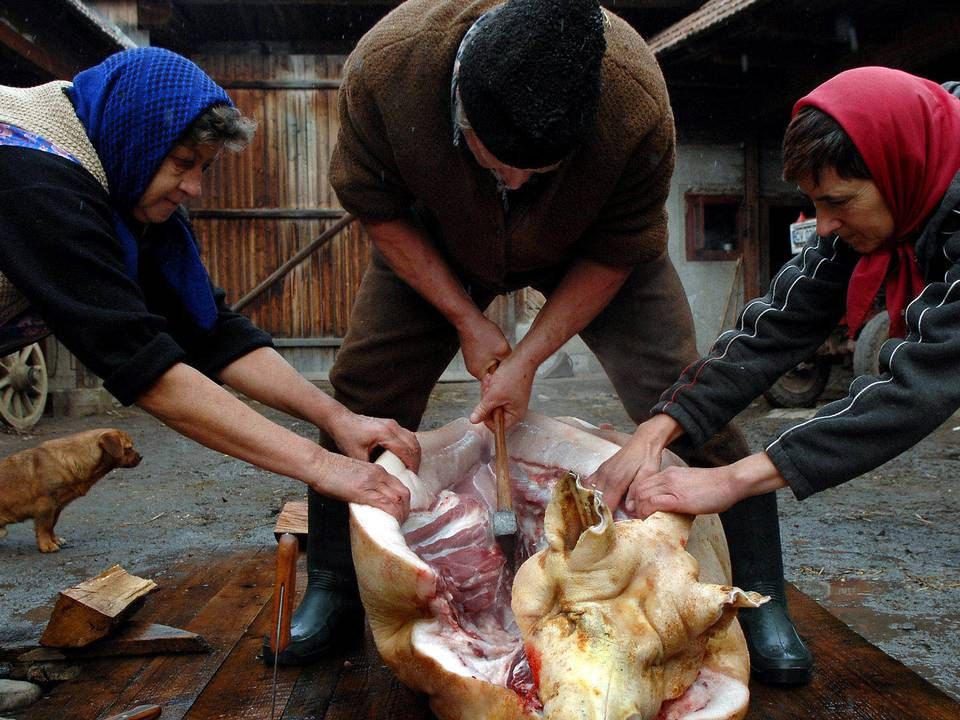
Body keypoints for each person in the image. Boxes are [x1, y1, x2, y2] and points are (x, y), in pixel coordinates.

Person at [278, 0, 812, 685]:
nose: (517, 184)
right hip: (433, 235)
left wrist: (527, 358)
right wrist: (467, 319)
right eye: (500, 164)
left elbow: (620, 251)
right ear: (461, 108)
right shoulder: (388, 69)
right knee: (362, 392)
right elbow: (376, 211)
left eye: (539, 170)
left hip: (591, 245)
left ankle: (762, 598)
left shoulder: (635, 102)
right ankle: (333, 583)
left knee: (689, 392)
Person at [0, 50, 418, 534]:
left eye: (205, 168)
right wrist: (322, 467)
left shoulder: (122, 177)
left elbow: (209, 331)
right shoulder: (37, 176)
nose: (194, 187)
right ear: (137, 138)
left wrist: (338, 417)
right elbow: (142, 364)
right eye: (183, 163)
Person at [589, 68, 960, 590]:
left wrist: (732, 479)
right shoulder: (911, 171)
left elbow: (917, 387)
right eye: (816, 203)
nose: (824, 225)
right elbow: (778, 324)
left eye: (838, 201)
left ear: (900, 166)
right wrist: (659, 427)